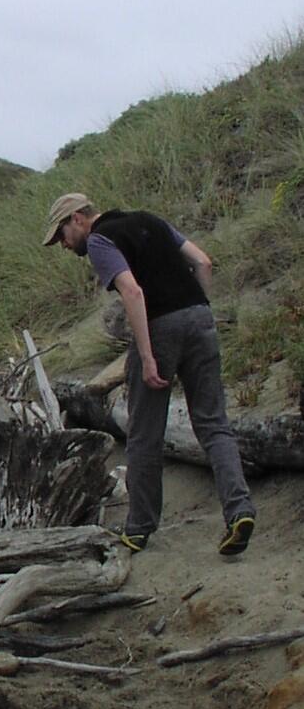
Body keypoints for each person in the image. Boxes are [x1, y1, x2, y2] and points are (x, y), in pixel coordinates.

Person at [42, 192, 255, 555]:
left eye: (61, 233)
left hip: (159, 328)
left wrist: (147, 353)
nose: (62, 244)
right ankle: (239, 511)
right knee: (214, 423)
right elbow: (203, 262)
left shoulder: (100, 239)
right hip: (200, 319)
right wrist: (197, 311)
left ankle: (139, 529)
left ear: (77, 218)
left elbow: (132, 291)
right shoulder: (150, 217)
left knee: (143, 433)